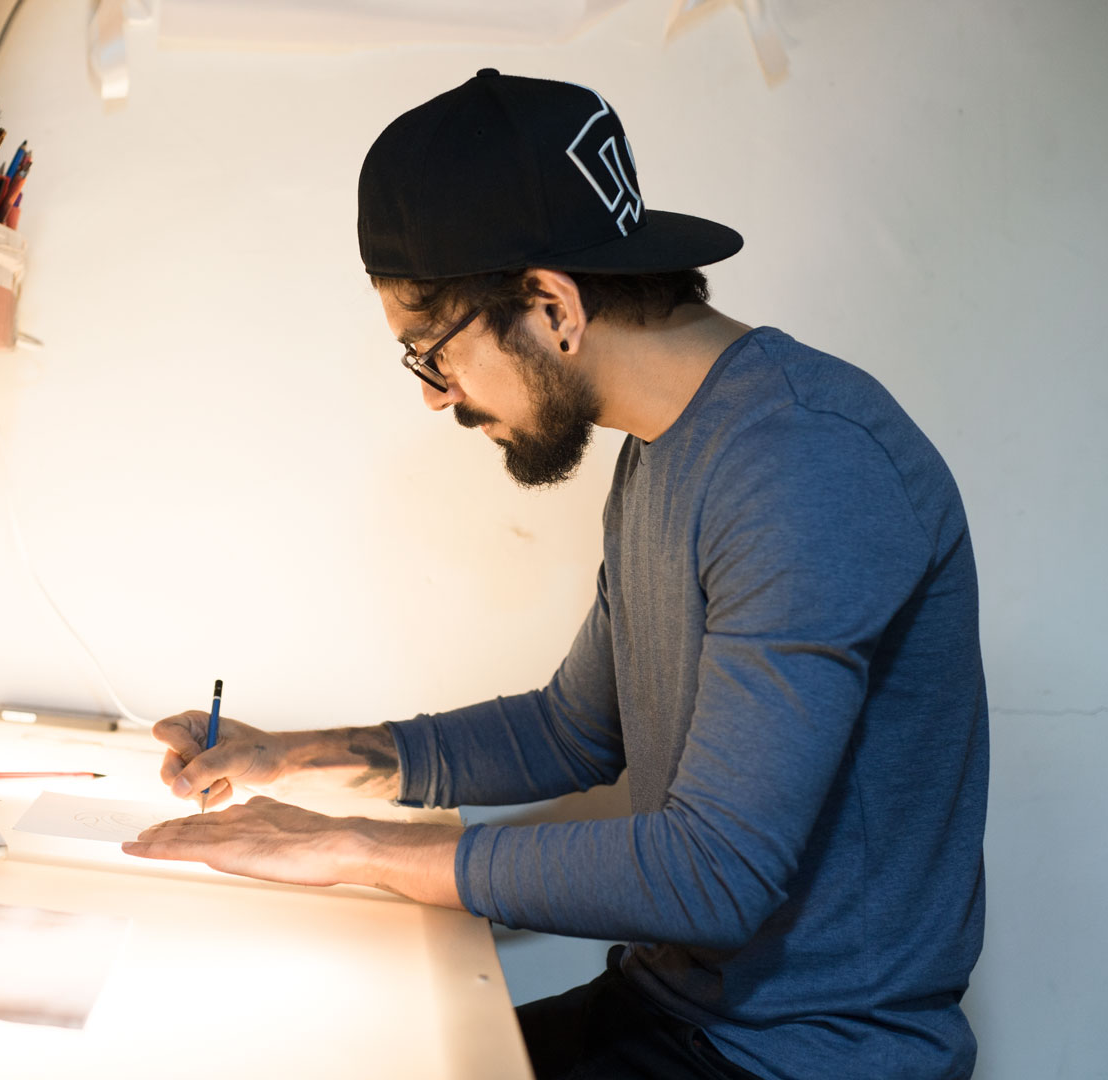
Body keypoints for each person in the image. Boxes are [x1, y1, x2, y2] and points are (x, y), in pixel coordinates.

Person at [121, 70, 988, 1080]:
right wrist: (293, 756)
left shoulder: (809, 465)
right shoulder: (666, 451)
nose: (437, 400)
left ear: (550, 306)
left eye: (430, 355)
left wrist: (352, 848)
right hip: (682, 1014)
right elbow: (573, 730)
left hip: (801, 1060)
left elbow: (714, 875)